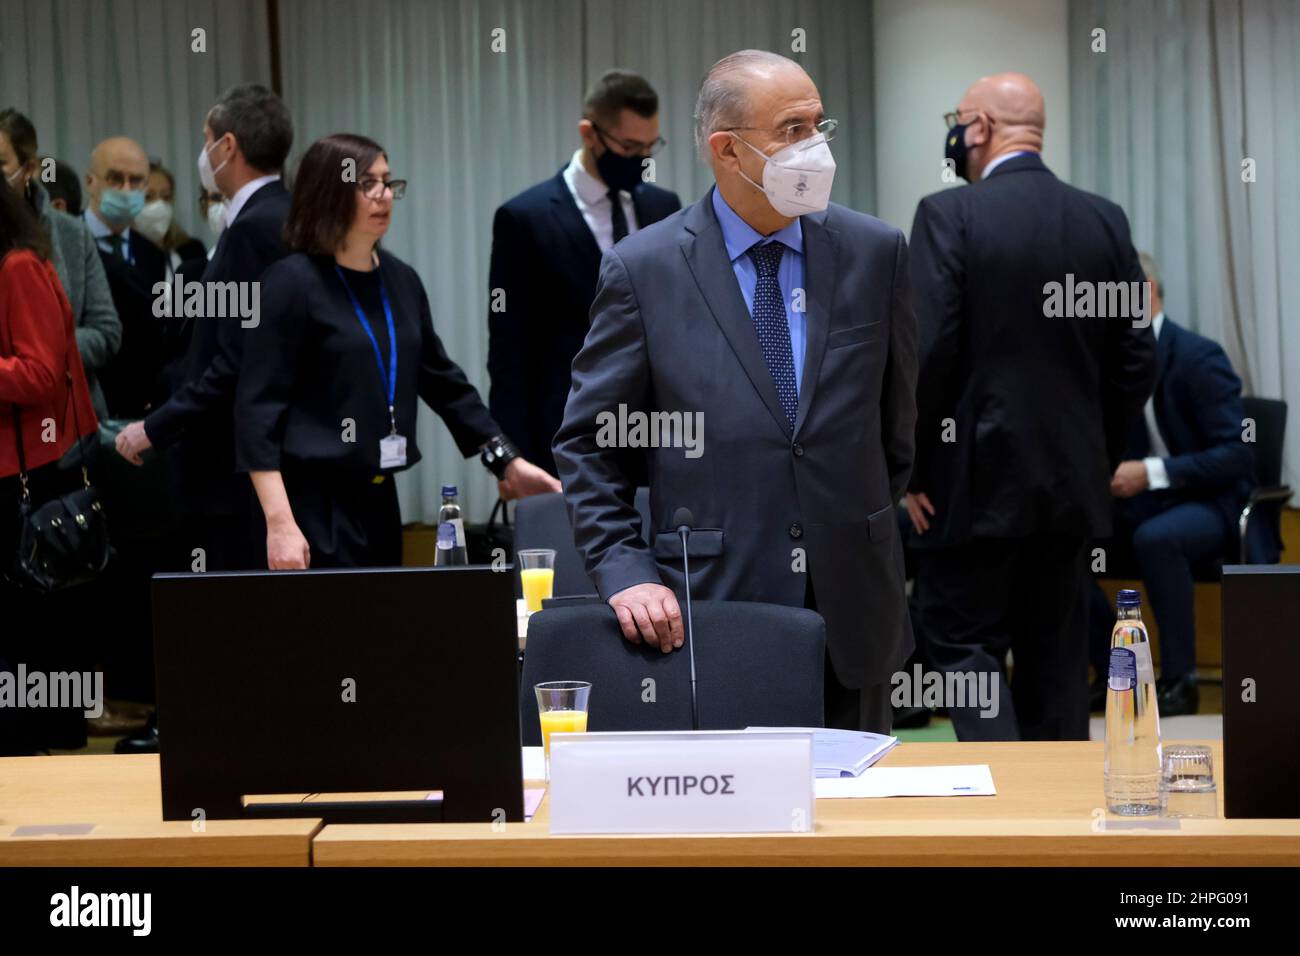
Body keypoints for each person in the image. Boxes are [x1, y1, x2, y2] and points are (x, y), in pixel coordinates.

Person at [553, 51, 918, 734]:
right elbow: (590, 447)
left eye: (819, 123)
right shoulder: (644, 270)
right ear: (728, 150)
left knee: (860, 828)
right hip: (714, 606)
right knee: (736, 832)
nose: (815, 146)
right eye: (791, 129)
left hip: (854, 610)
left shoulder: (877, 252)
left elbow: (896, 430)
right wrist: (627, 570)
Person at [905, 72, 1156, 742]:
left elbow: (927, 356)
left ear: (980, 126)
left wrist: (913, 471)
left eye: (957, 121)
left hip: (968, 490)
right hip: (1069, 489)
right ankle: (1061, 826)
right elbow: (1136, 359)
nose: (954, 134)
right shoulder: (1104, 219)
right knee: (1055, 659)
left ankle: (1003, 815)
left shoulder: (948, 215)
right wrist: (1094, 448)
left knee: (963, 651)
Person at [237, 133, 559, 570]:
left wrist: (505, 461)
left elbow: (445, 384)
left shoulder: (400, 279)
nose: (384, 195)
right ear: (329, 191)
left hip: (379, 498)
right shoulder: (290, 283)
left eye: (389, 183)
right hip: (309, 505)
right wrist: (279, 523)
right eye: (366, 184)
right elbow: (257, 411)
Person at [116, 84, 294, 573]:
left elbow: (233, 359)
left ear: (228, 147)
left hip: (232, 467)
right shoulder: (287, 215)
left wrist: (156, 426)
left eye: (207, 138)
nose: (205, 152)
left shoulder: (251, 231)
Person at [487, 70, 681, 477]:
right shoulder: (525, 218)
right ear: (589, 133)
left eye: (650, 146)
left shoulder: (663, 206)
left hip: (655, 433)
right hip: (566, 433)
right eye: (629, 147)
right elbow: (510, 350)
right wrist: (512, 461)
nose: (642, 160)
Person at [1086, 252, 1254, 716]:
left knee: (1157, 539)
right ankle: (1111, 671)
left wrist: (1151, 473)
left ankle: (1181, 680)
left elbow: (1237, 454)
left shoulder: (1198, 357)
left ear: (1145, 293)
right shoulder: (1112, 364)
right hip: (1138, 502)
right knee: (1060, 537)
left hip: (1207, 503)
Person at [0, 180, 100, 754]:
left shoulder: (17, 266)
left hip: (32, 477)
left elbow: (39, 374)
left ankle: (45, 767)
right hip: (18, 474)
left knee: (34, 637)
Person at [0, 110, 121, 420]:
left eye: (1, 163)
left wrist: (43, 353)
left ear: (28, 169)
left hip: (68, 419)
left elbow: (107, 332)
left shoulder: (70, 232)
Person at [83, 135, 171, 418]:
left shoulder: (154, 255)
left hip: (139, 409)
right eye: (115, 178)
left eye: (136, 182)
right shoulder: (66, 242)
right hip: (83, 402)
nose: (126, 189)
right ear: (90, 182)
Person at [134, 159, 206, 276]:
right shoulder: (124, 254)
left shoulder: (192, 250)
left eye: (165, 197)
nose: (159, 204)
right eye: (148, 197)